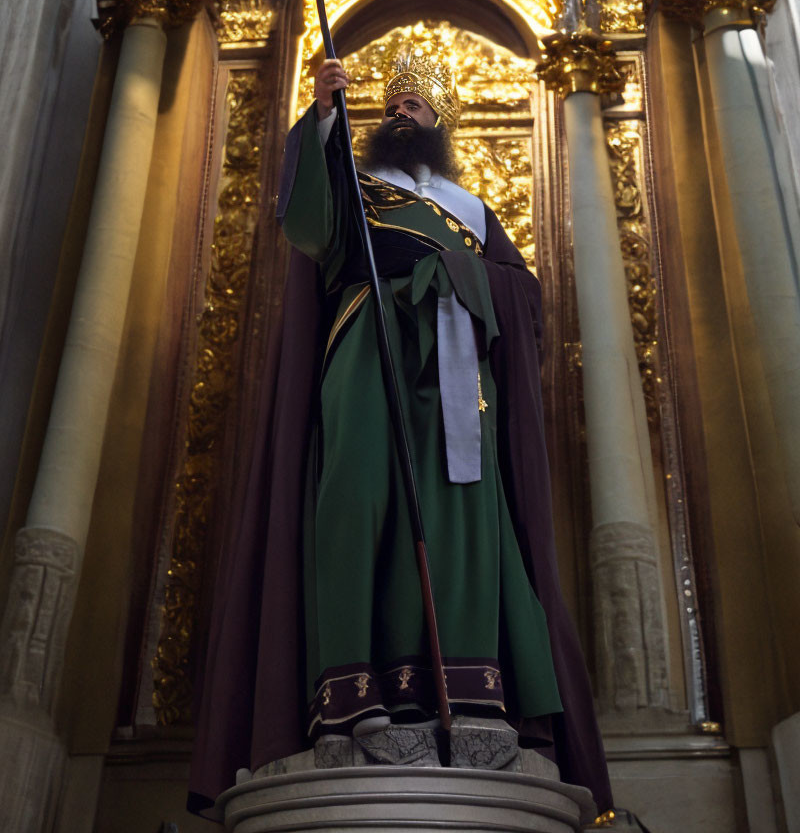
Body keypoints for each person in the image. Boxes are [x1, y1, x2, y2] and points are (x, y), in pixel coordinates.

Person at [188, 49, 612, 816]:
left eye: (414, 104)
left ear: (440, 119)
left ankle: (466, 693)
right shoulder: (355, 182)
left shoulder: (473, 209)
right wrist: (324, 116)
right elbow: (311, 226)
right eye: (391, 102)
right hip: (366, 349)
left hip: (453, 371)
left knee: (460, 514)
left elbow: (526, 300)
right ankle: (355, 694)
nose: (398, 111)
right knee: (356, 498)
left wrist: (462, 277)